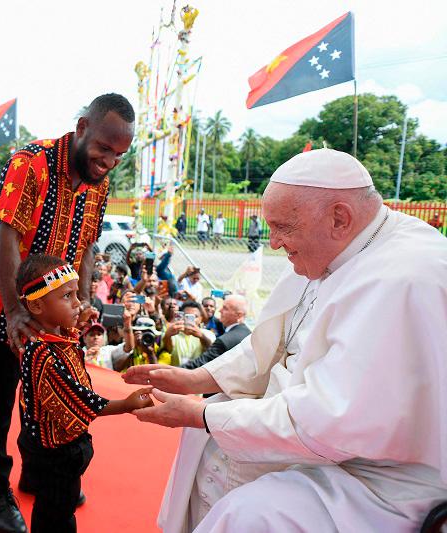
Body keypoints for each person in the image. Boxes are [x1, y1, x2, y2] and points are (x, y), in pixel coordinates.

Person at [123, 148, 447, 532]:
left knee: (251, 514)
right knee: (208, 431)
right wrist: (197, 381)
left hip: (379, 477)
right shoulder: (334, 247)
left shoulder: (405, 278)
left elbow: (336, 420)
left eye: (283, 228)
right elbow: (273, 340)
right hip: (315, 429)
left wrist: (200, 413)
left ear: (339, 218)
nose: (274, 242)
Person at [0, 93, 135, 532]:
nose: (108, 161)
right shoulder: (32, 161)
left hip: (59, 310)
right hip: (11, 303)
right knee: (3, 393)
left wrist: (81, 305)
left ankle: (38, 473)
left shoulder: (98, 182)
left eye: (119, 154)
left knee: (52, 393)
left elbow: (85, 247)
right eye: (104, 148)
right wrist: (13, 312)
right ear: (83, 127)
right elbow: (6, 235)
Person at [15, 255, 152, 532]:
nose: (78, 303)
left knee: (55, 502)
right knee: (57, 514)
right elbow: (79, 400)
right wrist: (125, 404)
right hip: (55, 452)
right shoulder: (43, 356)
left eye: (76, 294)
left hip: (53, 444)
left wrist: (76, 325)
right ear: (37, 304)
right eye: (67, 296)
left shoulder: (54, 334)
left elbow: (68, 344)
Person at [180, 294, 250, 369]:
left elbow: (199, 365)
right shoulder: (247, 333)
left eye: (225, 308)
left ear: (239, 315)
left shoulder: (224, 341)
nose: (220, 310)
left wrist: (170, 371)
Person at [161, 301, 215, 366]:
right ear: (181, 316)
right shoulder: (173, 332)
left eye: (194, 316)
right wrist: (168, 336)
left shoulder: (208, 334)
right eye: (186, 316)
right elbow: (167, 351)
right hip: (176, 373)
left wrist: (201, 336)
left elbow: (213, 352)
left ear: (201, 319)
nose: (190, 320)